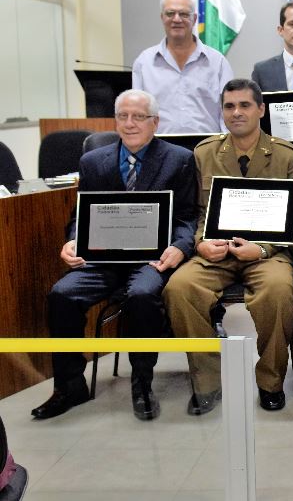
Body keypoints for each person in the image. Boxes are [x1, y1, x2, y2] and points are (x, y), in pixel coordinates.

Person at [32, 89, 198, 421]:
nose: (130, 123)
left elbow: (188, 217)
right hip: (103, 259)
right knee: (61, 295)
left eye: (138, 117)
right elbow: (82, 215)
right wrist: (74, 240)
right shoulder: (93, 161)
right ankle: (69, 386)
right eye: (123, 116)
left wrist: (179, 248)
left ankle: (142, 383)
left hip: (152, 258)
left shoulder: (179, 159)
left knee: (141, 295)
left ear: (155, 122)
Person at [163, 78, 293, 415]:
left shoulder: (286, 155)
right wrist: (201, 244)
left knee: (278, 291)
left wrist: (264, 250)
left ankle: (270, 382)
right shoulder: (205, 152)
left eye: (244, 105)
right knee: (179, 288)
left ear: (261, 109)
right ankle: (208, 382)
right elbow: (196, 211)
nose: (236, 112)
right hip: (217, 251)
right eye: (229, 106)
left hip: (266, 252)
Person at [132, 0, 233, 134]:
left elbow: (229, 110)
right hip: (159, 150)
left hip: (208, 149)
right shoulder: (144, 63)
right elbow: (137, 112)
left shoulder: (218, 63)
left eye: (184, 14)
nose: (177, 19)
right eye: (170, 13)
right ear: (162, 17)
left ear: (195, 19)